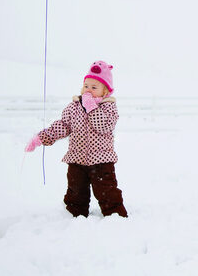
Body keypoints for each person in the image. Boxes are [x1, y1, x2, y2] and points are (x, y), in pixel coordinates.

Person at [25, 60, 128, 218]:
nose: (89, 90)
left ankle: (115, 217)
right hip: (76, 159)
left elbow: (103, 126)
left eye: (94, 87)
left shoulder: (108, 107)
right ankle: (74, 216)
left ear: (105, 91)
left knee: (107, 191)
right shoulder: (74, 107)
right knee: (76, 191)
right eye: (86, 86)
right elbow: (63, 125)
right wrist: (41, 137)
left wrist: (91, 107)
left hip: (101, 161)